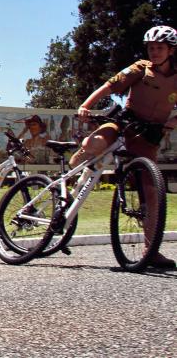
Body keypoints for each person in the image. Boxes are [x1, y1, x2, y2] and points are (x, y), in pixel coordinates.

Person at [70, 25, 177, 269]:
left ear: (171, 50)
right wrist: (86, 106)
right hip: (124, 122)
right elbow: (109, 86)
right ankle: (81, 155)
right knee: (94, 143)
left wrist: (172, 121)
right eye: (151, 47)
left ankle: (152, 252)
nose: (155, 52)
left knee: (152, 194)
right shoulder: (141, 68)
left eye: (160, 48)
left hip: (148, 135)